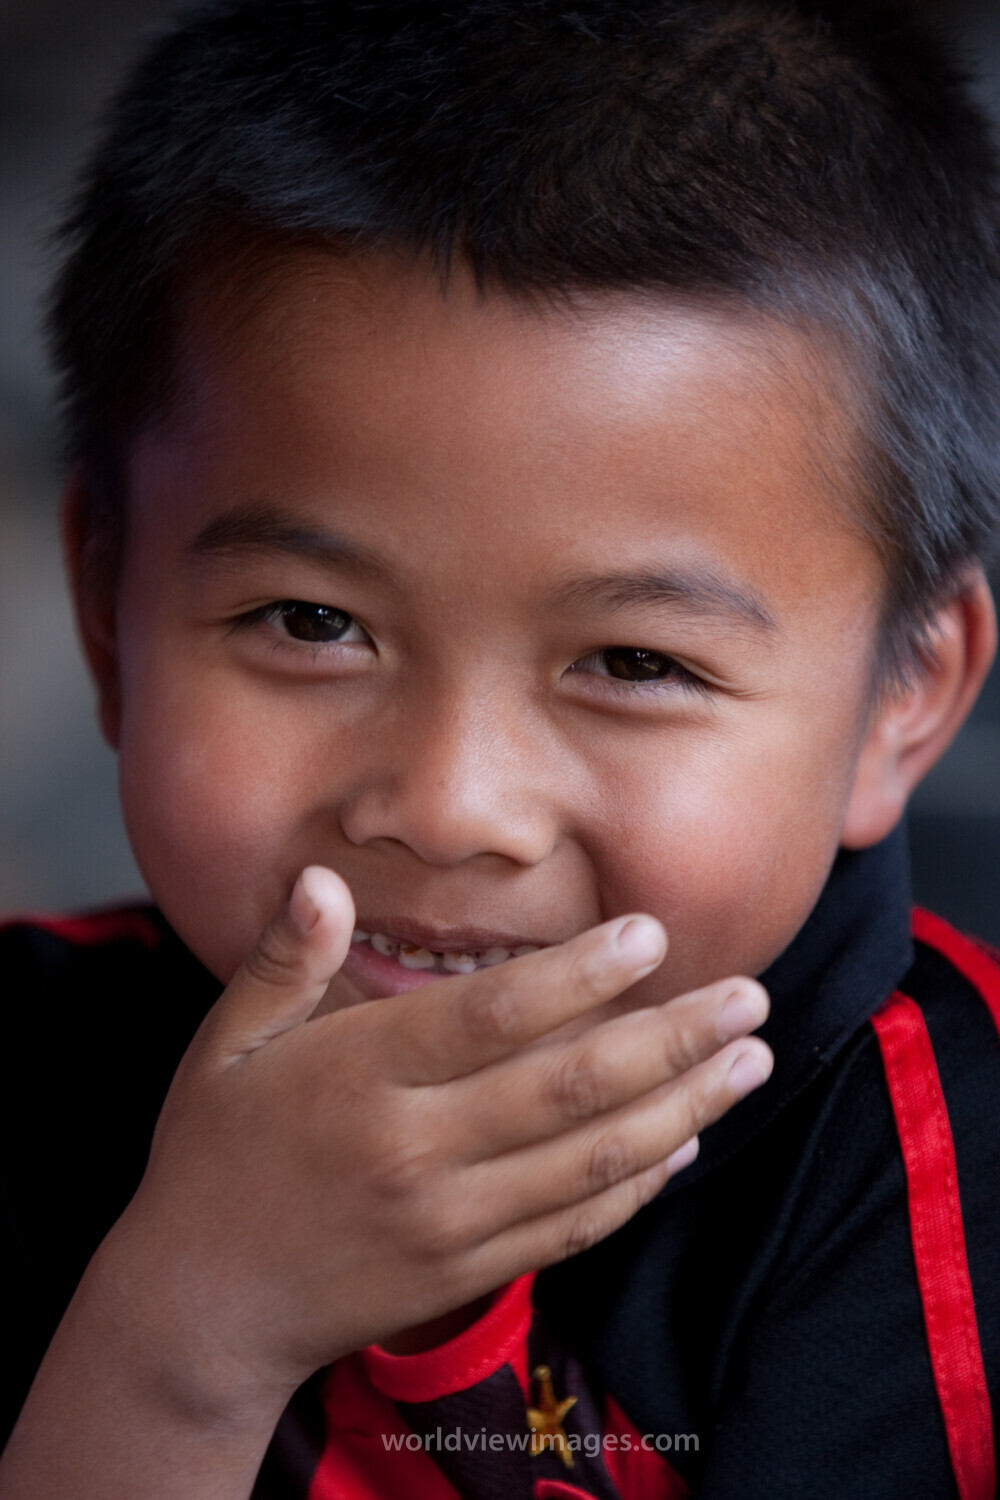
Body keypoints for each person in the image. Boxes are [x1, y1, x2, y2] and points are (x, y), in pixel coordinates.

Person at [2, 0, 999, 1494]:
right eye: (312, 623)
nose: (454, 809)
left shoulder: (941, 1185)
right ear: (107, 608)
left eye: (636, 661)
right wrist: (184, 1342)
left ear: (904, 695)